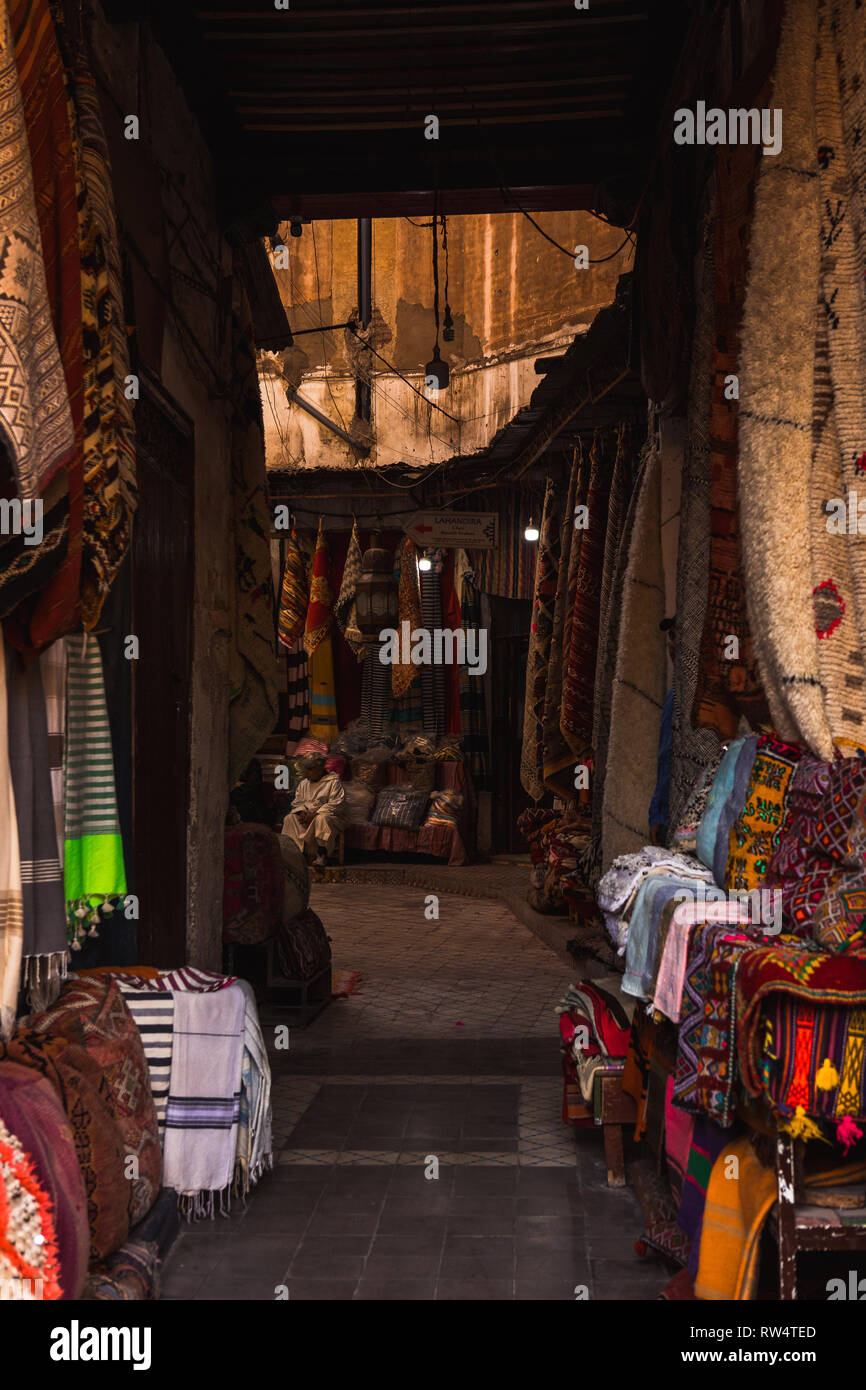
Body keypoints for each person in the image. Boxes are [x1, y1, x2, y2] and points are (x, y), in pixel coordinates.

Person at [281, 753, 347, 867]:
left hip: (330, 817)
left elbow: (336, 804)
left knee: (322, 819)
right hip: (307, 817)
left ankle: (321, 855)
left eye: (310, 769)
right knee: (289, 819)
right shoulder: (304, 783)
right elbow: (298, 802)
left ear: (320, 769)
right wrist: (302, 813)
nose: (307, 773)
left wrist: (315, 814)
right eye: (306, 769)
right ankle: (295, 854)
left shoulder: (333, 782)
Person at [649, 616, 676, 846]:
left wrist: (657, 815)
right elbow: (664, 758)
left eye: (677, 637)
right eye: (671, 638)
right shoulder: (674, 696)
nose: (671, 645)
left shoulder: (679, 698)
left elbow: (666, 758)